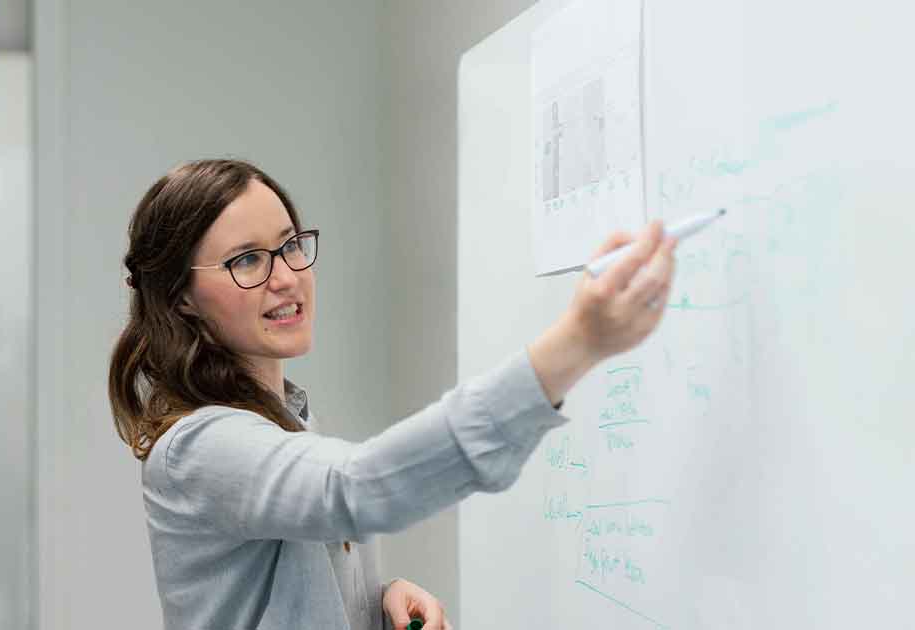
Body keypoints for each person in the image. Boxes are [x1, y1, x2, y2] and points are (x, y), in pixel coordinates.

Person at [108, 159, 676, 629]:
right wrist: (575, 345)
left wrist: (370, 601)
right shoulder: (198, 448)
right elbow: (353, 489)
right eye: (248, 260)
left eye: (289, 246)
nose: (286, 277)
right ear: (181, 296)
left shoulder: (286, 419)